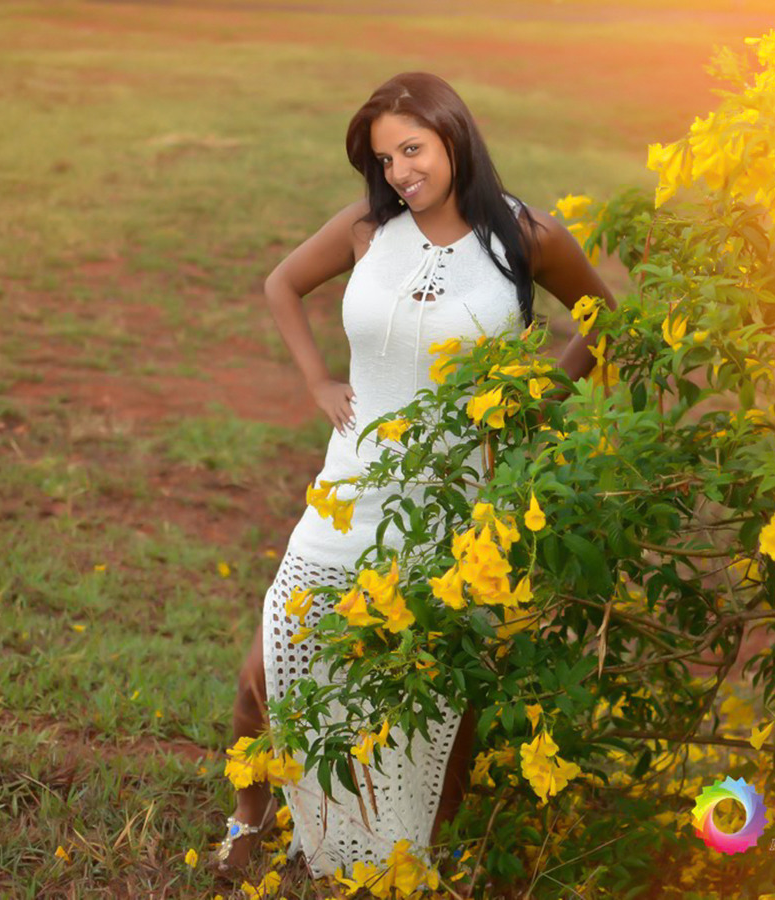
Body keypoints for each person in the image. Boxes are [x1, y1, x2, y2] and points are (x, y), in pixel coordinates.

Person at [211, 71, 616, 881]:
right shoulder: (367, 228)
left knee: (438, 695)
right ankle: (248, 820)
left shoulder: (526, 237)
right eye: (385, 158)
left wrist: (535, 399)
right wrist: (318, 381)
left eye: (412, 149)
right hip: (349, 489)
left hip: (452, 503)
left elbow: (607, 321)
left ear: (453, 136)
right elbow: (282, 283)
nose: (400, 172)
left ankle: (419, 852)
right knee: (267, 667)